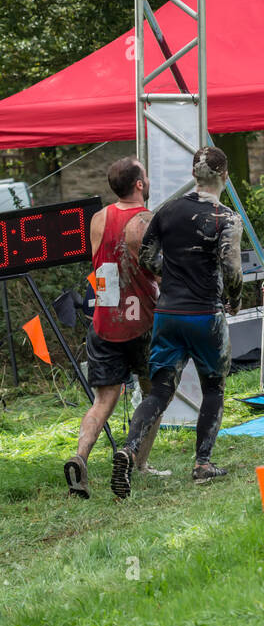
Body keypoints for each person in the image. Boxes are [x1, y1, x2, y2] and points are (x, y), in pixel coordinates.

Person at [110, 147, 243, 497]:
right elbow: (232, 269)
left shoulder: (167, 209)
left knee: (161, 391)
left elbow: (148, 256)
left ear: (195, 175)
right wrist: (234, 298)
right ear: (224, 177)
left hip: (167, 314)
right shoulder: (225, 217)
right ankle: (202, 463)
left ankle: (129, 448)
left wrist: (169, 278)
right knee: (214, 387)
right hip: (205, 315)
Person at [64, 157, 165, 499]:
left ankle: (80, 456)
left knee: (103, 399)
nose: (148, 180)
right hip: (143, 322)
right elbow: (160, 270)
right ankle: (136, 459)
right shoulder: (147, 221)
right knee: (156, 393)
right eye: (146, 175)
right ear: (139, 184)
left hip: (104, 320)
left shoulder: (98, 218)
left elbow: (102, 263)